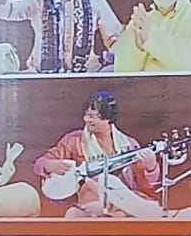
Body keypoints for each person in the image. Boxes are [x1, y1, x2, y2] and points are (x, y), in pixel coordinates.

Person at [33, 90, 168, 219]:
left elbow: (146, 185)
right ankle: (142, 210)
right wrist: (49, 165)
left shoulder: (129, 145)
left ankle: (130, 209)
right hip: (92, 199)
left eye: (92, 116)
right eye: (86, 115)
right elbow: (40, 163)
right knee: (95, 194)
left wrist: (151, 168)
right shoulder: (73, 140)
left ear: (107, 119)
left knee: (108, 185)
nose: (86, 119)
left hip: (123, 201)